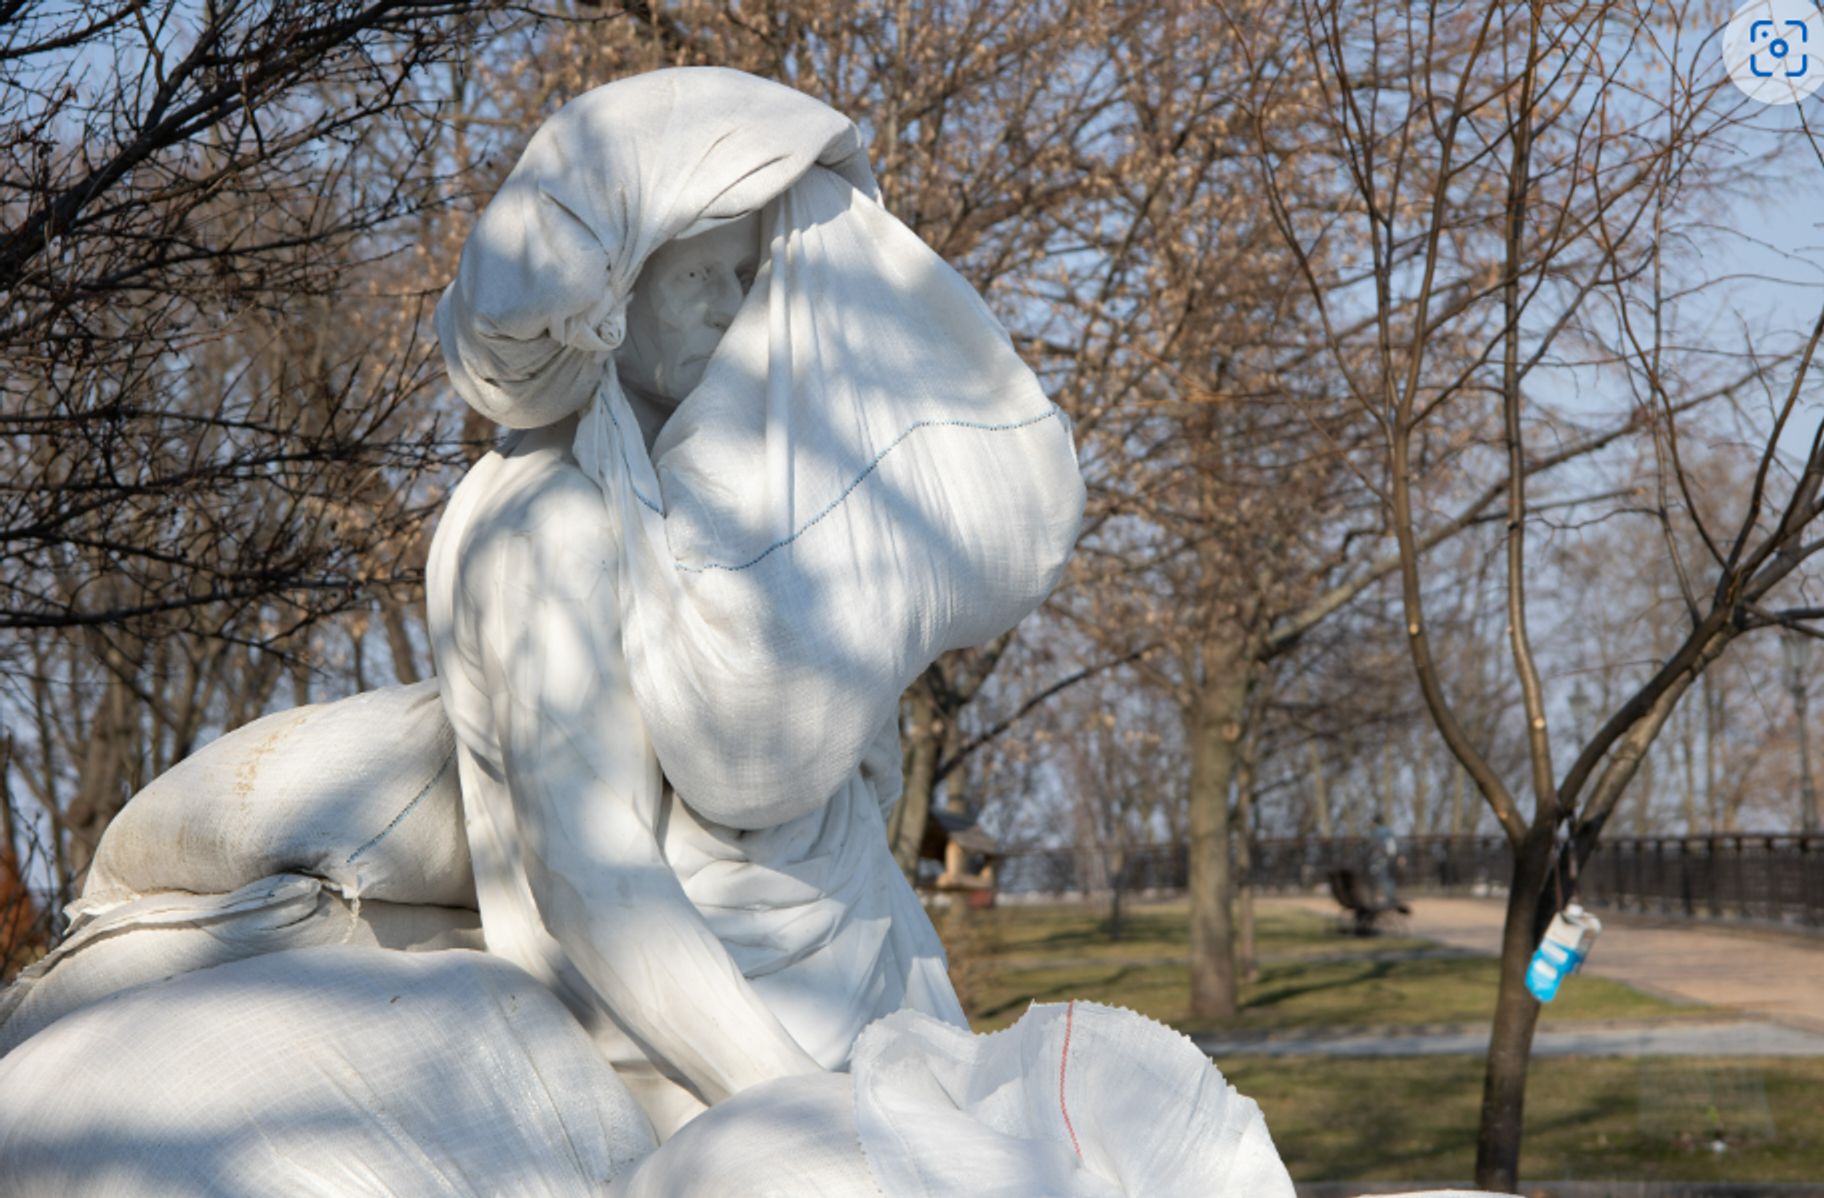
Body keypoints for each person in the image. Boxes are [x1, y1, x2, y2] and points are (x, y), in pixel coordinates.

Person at [426, 66, 1085, 1138]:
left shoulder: (741, 509)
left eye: (745, 278)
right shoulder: (546, 525)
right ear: (616, 294)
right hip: (695, 1065)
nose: (731, 313)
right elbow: (591, 873)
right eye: (697, 280)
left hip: (862, 990)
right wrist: (795, 1101)